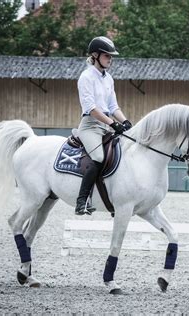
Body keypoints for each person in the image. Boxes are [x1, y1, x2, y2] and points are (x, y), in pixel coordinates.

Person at [75, 36, 132, 215]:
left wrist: (125, 121)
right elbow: (91, 108)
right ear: (95, 55)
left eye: (111, 56)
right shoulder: (86, 77)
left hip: (107, 125)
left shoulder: (108, 79)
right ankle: (82, 201)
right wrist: (113, 123)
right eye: (107, 55)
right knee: (99, 157)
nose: (110, 59)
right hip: (90, 126)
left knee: (123, 153)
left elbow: (113, 106)